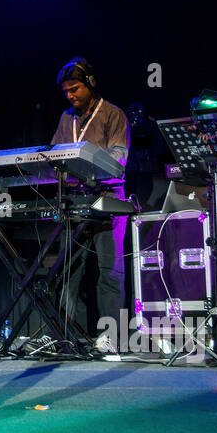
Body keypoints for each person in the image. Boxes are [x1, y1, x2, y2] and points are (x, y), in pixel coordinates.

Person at [50, 58, 130, 349]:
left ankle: (114, 336)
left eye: (75, 89)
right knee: (70, 273)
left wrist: (86, 167)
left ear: (91, 84)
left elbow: (119, 160)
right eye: (67, 91)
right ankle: (69, 336)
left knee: (109, 273)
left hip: (108, 203)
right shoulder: (65, 119)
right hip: (75, 202)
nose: (70, 95)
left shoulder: (113, 114)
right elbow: (56, 155)